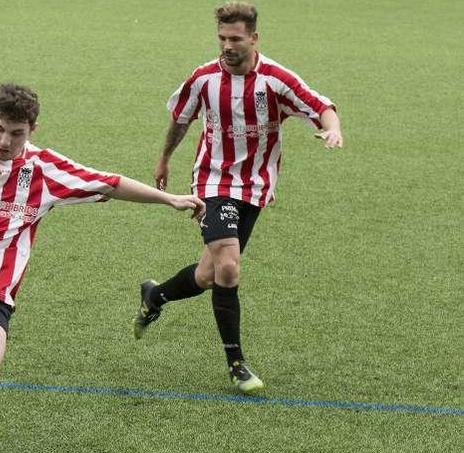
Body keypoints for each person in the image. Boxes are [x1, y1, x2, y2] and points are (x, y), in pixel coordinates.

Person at [0, 83, 205, 453]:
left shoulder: (42, 170)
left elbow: (109, 183)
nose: (5, 141)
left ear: (32, 130)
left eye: (17, 134)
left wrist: (168, 199)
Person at [133, 1, 343, 394]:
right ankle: (236, 364)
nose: (226, 45)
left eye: (235, 39)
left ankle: (155, 294)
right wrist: (163, 159)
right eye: (221, 38)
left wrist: (332, 130)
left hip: (257, 186)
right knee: (229, 266)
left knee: (208, 274)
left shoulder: (277, 80)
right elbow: (181, 120)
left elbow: (321, 106)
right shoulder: (203, 78)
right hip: (212, 181)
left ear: (253, 38)